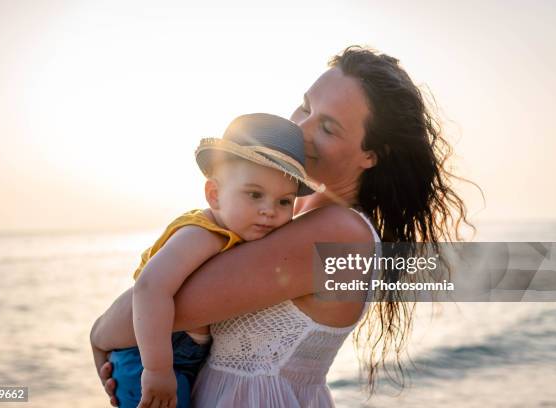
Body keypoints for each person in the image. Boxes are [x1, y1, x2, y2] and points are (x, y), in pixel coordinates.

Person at [94, 45, 471, 407]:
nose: (301, 130)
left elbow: (155, 310)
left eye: (328, 127)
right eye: (305, 107)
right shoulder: (294, 216)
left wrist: (99, 336)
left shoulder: (338, 234)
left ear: (370, 155)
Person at [90, 113, 325, 408]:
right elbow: (150, 288)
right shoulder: (202, 233)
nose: (269, 211)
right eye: (254, 194)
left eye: (283, 202)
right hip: (153, 357)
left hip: (185, 358)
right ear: (214, 195)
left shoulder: (241, 235)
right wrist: (157, 370)